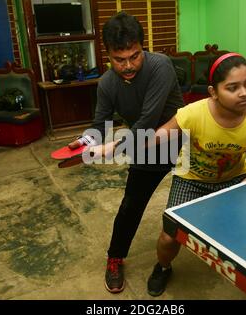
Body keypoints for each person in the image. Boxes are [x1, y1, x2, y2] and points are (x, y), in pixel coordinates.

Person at [69, 11, 184, 293]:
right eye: (120, 60)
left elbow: (147, 120)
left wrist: (112, 146)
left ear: (143, 47)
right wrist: (85, 141)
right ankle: (115, 258)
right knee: (131, 205)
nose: (128, 65)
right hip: (144, 145)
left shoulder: (161, 66)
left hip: (181, 138)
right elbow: (100, 125)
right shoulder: (107, 83)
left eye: (135, 56)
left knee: (193, 204)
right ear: (107, 55)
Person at [146, 52, 246, 297]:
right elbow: (158, 136)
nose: (244, 92)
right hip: (191, 180)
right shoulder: (193, 113)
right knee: (168, 236)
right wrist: (115, 146)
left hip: (236, 180)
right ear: (213, 91)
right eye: (233, 87)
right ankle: (162, 267)